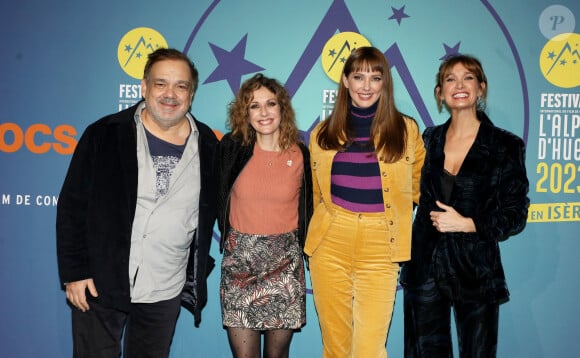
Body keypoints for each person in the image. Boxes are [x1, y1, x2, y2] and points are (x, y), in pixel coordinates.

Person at [56, 48, 219, 358]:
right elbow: (72, 206)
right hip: (101, 281)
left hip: (165, 286)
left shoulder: (210, 146)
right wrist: (74, 271)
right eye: (161, 84)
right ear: (144, 88)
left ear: (192, 94)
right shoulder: (104, 134)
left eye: (181, 86)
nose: (170, 94)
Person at [400, 54, 530, 357]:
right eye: (450, 79)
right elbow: (405, 191)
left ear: (481, 88)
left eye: (468, 77)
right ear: (439, 93)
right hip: (424, 269)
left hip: (475, 269)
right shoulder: (428, 139)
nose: (459, 85)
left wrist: (468, 223)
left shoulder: (504, 145)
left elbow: (515, 212)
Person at [305, 46, 426, 357]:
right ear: (345, 81)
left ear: (385, 82)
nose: (367, 86)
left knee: (370, 349)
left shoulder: (407, 129)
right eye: (358, 76)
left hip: (381, 245)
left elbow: (419, 186)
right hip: (330, 242)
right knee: (336, 348)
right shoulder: (321, 134)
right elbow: (317, 195)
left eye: (375, 77)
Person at [217, 73, 313, 358]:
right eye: (254, 105)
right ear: (244, 113)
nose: (264, 112)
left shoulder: (300, 155)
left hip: (284, 266)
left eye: (270, 104)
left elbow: (311, 208)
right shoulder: (230, 150)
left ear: (282, 108)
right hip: (239, 267)